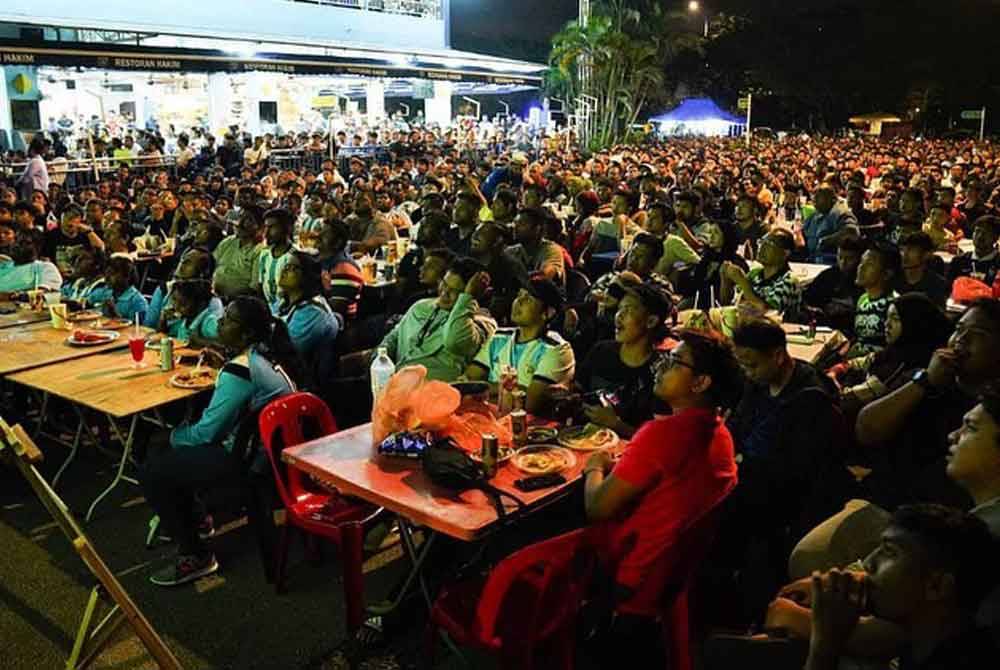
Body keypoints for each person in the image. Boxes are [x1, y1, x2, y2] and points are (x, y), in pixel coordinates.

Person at [582, 330, 741, 664]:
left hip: (633, 578)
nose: (660, 366)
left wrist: (594, 466)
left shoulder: (661, 435)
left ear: (700, 383)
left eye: (673, 361)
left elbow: (597, 507)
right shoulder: (721, 434)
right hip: (674, 574)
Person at [141, 296, 299, 586]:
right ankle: (197, 519)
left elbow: (206, 434)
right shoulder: (264, 353)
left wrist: (173, 435)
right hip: (275, 449)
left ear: (246, 333)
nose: (219, 323)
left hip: (251, 461)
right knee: (168, 448)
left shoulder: (239, 370)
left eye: (228, 320)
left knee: (155, 467)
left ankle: (196, 555)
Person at [805, 505, 998, 670]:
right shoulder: (926, 651)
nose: (869, 563)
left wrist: (824, 647)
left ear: (936, 586)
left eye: (889, 552)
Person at [857, 298, 1000, 508]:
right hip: (886, 498)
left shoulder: (993, 410)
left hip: (942, 517)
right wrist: (925, 382)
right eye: (959, 329)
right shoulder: (921, 378)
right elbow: (865, 431)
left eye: (977, 335)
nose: (960, 339)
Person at [574, 282, 673, 438]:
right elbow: (577, 389)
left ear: (651, 321)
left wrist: (615, 424)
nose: (619, 315)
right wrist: (564, 393)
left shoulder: (661, 372)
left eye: (628, 310)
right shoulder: (601, 351)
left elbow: (659, 441)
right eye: (619, 309)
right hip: (583, 440)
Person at [466, 276, 575, 414]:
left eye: (528, 298)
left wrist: (483, 390)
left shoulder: (557, 350)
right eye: (519, 296)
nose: (518, 302)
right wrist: (515, 389)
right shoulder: (499, 337)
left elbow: (530, 403)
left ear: (547, 313)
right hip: (487, 416)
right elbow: (469, 381)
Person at [379, 257, 496, 382]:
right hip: (391, 381)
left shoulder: (481, 323)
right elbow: (394, 337)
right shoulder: (421, 306)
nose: (444, 293)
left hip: (427, 394)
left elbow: (453, 341)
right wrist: (379, 360)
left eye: (455, 291)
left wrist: (467, 298)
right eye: (444, 284)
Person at [833, 293, 953, 414]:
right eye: (887, 317)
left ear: (913, 323)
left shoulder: (901, 367)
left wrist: (837, 378)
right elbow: (865, 360)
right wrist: (840, 368)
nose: (886, 324)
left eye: (895, 319)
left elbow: (845, 400)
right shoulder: (897, 350)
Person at [276, 251, 341, 387]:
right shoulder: (284, 301)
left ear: (306, 277)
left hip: (301, 383)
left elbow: (284, 352)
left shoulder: (313, 314)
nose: (285, 271)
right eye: (286, 266)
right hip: (282, 372)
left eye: (293, 268)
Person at [722, 228, 802, 317]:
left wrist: (742, 281)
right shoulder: (755, 273)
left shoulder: (789, 281)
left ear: (785, 253)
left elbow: (767, 312)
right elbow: (729, 305)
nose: (762, 247)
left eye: (769, 244)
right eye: (761, 242)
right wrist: (725, 280)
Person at [849, 242, 900, 358]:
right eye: (862, 262)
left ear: (887, 274)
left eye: (870, 264)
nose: (861, 267)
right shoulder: (862, 299)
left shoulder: (894, 304)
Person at [803, 237, 865, 333]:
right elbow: (808, 299)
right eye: (840, 257)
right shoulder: (828, 275)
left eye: (849, 259)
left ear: (860, 259)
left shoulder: (864, 280)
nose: (843, 262)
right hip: (823, 326)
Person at [213, 206, 265, 300]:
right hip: (213, 295)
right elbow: (212, 264)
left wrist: (227, 298)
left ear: (261, 227)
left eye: (248, 220)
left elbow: (254, 288)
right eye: (240, 217)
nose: (240, 223)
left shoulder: (260, 251)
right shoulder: (229, 241)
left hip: (237, 302)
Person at [504, 207, 566, 286]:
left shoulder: (552, 250)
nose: (515, 227)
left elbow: (549, 273)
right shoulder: (511, 251)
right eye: (515, 223)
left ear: (537, 229)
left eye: (522, 224)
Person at [316, 221, 364, 321]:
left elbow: (335, 308)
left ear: (337, 243)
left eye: (325, 234)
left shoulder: (344, 268)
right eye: (321, 232)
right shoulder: (320, 260)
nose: (319, 236)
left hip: (337, 324)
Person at [801, 186, 859, 264]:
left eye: (819, 196)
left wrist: (827, 241)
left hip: (829, 261)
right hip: (810, 259)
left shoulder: (841, 213)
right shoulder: (816, 214)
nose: (814, 199)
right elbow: (803, 232)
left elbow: (852, 231)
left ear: (832, 199)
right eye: (814, 196)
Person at [43, 204, 105, 277]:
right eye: (66, 217)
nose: (69, 221)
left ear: (80, 220)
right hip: (58, 276)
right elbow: (45, 258)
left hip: (82, 277)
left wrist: (89, 232)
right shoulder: (51, 236)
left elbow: (101, 248)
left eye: (73, 217)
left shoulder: (86, 234)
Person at [256, 208, 296, 313]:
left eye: (272, 227)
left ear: (287, 229)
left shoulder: (295, 257)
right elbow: (261, 285)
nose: (267, 232)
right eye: (265, 227)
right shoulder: (264, 254)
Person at [895, 232, 949, 309]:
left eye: (911, 250)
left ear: (926, 255)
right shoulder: (893, 279)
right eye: (902, 250)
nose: (905, 254)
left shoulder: (936, 284)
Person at [0, 231, 62, 296]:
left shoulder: (45, 267)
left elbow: (42, 294)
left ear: (37, 246)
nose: (16, 246)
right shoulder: (3, 266)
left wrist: (14, 296)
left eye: (24, 243)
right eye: (15, 242)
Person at [163, 279, 222, 346]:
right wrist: (163, 319)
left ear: (200, 305)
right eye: (174, 299)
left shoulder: (208, 321)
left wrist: (200, 341)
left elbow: (223, 344)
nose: (176, 307)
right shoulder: (185, 320)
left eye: (183, 304)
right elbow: (166, 335)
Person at [948, 215, 1000, 287]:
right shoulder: (959, 260)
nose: (980, 236)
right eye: (977, 231)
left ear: (995, 237)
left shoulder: (997, 263)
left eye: (987, 233)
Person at [103, 255, 148, 323]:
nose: (107, 278)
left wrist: (115, 315)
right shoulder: (108, 294)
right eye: (106, 274)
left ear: (127, 276)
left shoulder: (137, 301)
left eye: (112, 274)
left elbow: (138, 329)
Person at [15, 136, 49, 202]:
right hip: (37, 189)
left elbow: (26, 178)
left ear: (32, 149)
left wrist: (17, 183)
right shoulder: (37, 160)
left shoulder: (35, 161)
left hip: (37, 191)